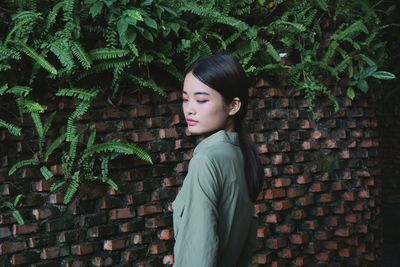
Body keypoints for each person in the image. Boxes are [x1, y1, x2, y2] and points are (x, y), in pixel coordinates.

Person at [172, 54, 264, 267]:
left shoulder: (206, 161)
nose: (190, 109)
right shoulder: (240, 156)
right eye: (186, 98)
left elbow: (199, 255)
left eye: (202, 100)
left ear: (233, 106)